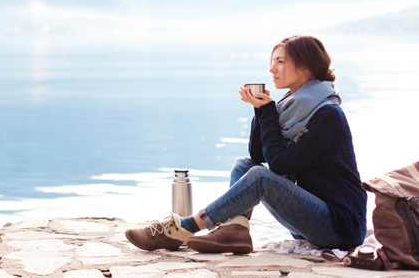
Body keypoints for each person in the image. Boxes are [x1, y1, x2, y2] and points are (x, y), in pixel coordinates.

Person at [125, 35, 366, 254]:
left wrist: (269, 112)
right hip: (312, 220)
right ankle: (235, 231)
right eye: (273, 61)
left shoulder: (328, 115)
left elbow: (279, 166)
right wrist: (261, 112)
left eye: (280, 62)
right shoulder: (293, 106)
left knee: (260, 176)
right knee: (245, 165)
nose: (272, 69)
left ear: (305, 67)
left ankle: (182, 228)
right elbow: (258, 154)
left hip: (339, 227)